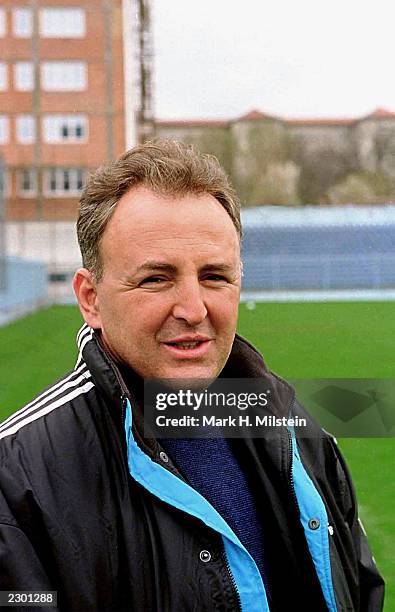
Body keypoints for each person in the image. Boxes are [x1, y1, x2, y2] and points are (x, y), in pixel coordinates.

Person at [0, 140, 384, 611]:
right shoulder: (17, 478)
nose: (193, 309)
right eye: (156, 279)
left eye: (215, 277)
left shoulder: (296, 431)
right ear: (91, 298)